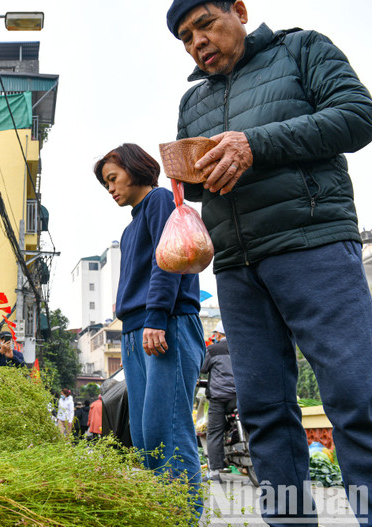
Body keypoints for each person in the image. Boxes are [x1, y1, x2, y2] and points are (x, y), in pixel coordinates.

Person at [167, 1, 372, 524]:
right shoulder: (193, 101)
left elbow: (357, 117)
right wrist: (185, 173)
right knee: (263, 413)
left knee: (357, 398)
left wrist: (253, 144)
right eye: (186, 38)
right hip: (237, 265)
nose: (197, 42)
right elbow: (203, 181)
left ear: (238, 11)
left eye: (205, 25)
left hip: (313, 245)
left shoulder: (301, 49)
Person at [93, 143, 204, 512]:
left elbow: (167, 263)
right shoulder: (130, 227)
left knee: (167, 430)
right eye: (106, 183)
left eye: (113, 178)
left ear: (135, 168)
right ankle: (163, 513)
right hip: (136, 333)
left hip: (165, 325)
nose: (110, 188)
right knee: (145, 439)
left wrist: (156, 317)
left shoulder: (159, 200)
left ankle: (185, 517)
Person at [200, 321, 236, 482]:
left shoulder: (213, 350)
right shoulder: (241, 347)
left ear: (219, 335)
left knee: (214, 432)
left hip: (219, 398)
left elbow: (202, 368)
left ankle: (214, 472)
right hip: (239, 398)